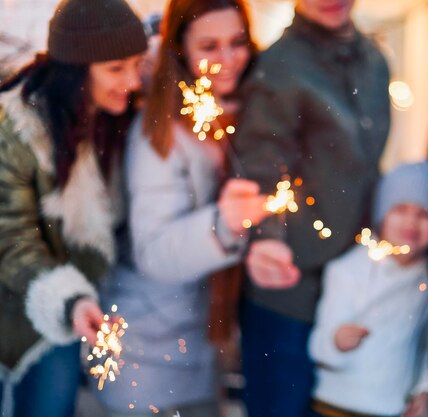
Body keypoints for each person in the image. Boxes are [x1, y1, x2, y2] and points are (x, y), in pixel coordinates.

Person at [94, 0, 266, 416]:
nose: (227, 60)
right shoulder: (159, 134)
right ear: (181, 50)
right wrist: (224, 225)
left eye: (237, 42)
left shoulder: (245, 115)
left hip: (203, 350)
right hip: (148, 357)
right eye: (209, 46)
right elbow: (154, 253)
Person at [232, 0, 391, 415]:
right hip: (289, 293)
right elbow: (262, 167)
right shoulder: (279, 67)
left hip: (354, 290)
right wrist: (267, 239)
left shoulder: (374, 61)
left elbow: (369, 168)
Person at [0, 1, 147, 416]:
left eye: (137, 64)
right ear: (75, 70)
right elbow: (9, 238)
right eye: (116, 69)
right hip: (23, 303)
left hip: (68, 318)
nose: (133, 80)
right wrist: (69, 300)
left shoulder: (111, 118)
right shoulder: (16, 130)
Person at [309, 161, 428, 417]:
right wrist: (336, 341)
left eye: (424, 214)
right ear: (382, 213)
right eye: (401, 209)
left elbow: (424, 350)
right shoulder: (348, 271)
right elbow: (319, 344)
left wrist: (427, 392)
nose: (411, 222)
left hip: (390, 410)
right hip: (335, 407)